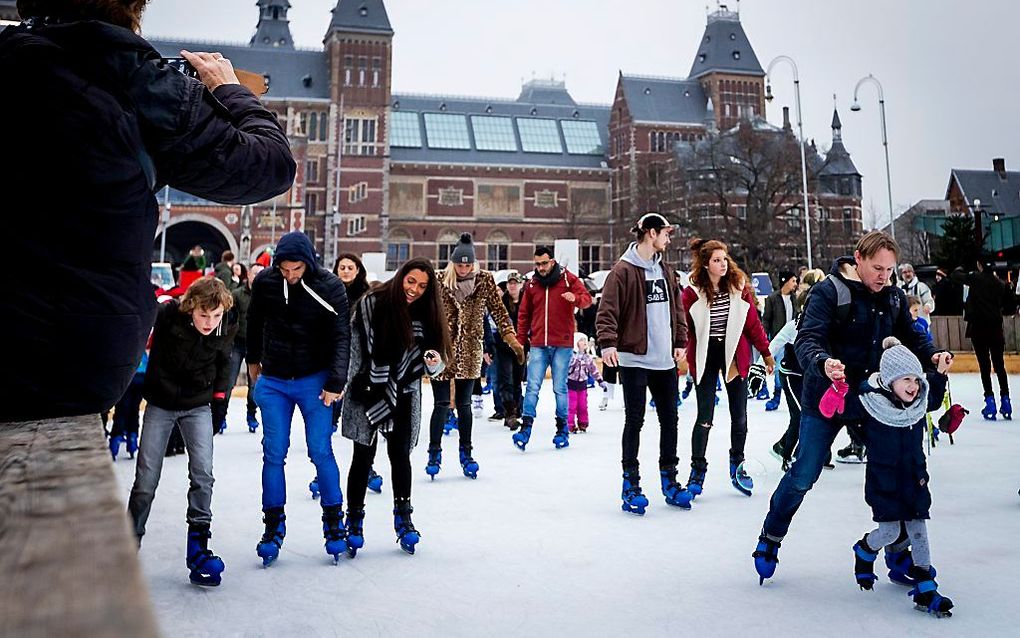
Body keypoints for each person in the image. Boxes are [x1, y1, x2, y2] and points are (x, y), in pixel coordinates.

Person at [0, 0, 296, 422]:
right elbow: (271, 166)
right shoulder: (137, 82)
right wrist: (229, 91)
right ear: (133, 10)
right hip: (69, 360)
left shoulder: (11, 57)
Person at [754, 231, 946, 584]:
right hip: (826, 398)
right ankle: (770, 537)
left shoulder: (892, 297)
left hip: (872, 401)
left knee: (898, 469)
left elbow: (912, 336)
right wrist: (824, 362)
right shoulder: (828, 292)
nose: (883, 276)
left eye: (889, 270)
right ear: (858, 258)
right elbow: (809, 338)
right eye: (877, 268)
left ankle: (899, 554)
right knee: (805, 473)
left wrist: (931, 354)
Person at [247, 232, 351, 566]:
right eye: (285, 270)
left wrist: (336, 380)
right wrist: (252, 361)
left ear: (308, 262)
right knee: (273, 453)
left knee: (320, 450)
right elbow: (254, 321)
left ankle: (334, 523)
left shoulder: (330, 286)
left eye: (296, 269)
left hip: (314, 380)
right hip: (275, 380)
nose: (291, 276)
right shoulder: (266, 282)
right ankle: (273, 526)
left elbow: (341, 335)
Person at [127, 278, 235, 586]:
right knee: (146, 479)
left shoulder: (224, 324)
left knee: (203, 474)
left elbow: (224, 365)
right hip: (160, 404)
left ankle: (198, 546)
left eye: (215, 316)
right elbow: (145, 303)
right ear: (191, 308)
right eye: (204, 315)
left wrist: (218, 404)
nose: (209, 323)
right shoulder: (169, 315)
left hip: (198, 405)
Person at [341, 258, 453, 556]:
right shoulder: (372, 304)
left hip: (404, 391)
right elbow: (355, 350)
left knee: (399, 455)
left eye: (422, 286)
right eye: (411, 281)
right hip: (368, 389)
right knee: (362, 455)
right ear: (401, 276)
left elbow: (436, 358)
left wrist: (433, 362)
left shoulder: (427, 313)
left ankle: (403, 518)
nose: (414, 289)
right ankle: (353, 519)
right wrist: (350, 384)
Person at [850, 338, 954, 617]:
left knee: (919, 530)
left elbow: (932, 399)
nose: (913, 386)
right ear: (888, 380)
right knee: (891, 532)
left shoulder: (917, 405)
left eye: (916, 380)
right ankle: (864, 550)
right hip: (883, 482)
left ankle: (926, 587)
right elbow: (847, 414)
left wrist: (940, 373)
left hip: (914, 478)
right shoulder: (871, 406)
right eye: (906, 379)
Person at [597, 212, 690, 513]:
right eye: (665, 233)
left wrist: (680, 341)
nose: (668, 238)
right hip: (634, 358)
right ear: (651, 233)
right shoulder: (622, 271)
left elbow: (678, 310)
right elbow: (607, 310)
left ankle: (670, 480)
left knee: (670, 421)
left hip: (664, 360)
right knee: (634, 421)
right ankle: (631, 483)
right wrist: (608, 343)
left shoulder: (667, 270)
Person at [427, 234, 524, 479]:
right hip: (442, 351)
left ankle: (466, 452)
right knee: (440, 405)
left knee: (465, 405)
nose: (463, 269)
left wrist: (511, 338)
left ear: (474, 263)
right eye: (459, 265)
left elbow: (500, 313)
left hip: (470, 351)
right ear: (452, 263)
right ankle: (434, 452)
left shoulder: (484, 281)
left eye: (467, 265)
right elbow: (423, 312)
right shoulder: (439, 281)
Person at [682, 238, 774, 499]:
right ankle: (697, 472)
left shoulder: (738, 287)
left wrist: (766, 353)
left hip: (733, 354)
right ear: (705, 264)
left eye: (724, 259)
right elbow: (682, 327)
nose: (722, 264)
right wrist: (677, 348)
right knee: (704, 417)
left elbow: (752, 324)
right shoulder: (691, 292)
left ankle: (738, 466)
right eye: (716, 260)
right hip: (706, 354)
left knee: (740, 415)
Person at [310, 252, 378, 500]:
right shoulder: (329, 293)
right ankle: (322, 472)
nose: (346, 271)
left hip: (360, 366)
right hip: (334, 365)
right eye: (342, 267)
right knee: (328, 420)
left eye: (350, 267)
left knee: (362, 420)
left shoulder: (368, 297)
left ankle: (367, 467)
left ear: (359, 270)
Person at [513, 246, 593, 451]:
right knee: (532, 387)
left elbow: (587, 300)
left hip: (562, 343)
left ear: (552, 262)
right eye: (537, 264)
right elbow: (523, 314)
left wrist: (574, 299)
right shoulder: (531, 285)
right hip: (539, 342)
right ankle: (526, 427)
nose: (540, 268)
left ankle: (562, 429)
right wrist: (521, 340)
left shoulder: (568, 280)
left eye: (544, 263)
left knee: (560, 388)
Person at [767, 268, 826, 471]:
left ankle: (821, 454)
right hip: (790, 375)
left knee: (819, 413)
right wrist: (761, 364)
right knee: (800, 415)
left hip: (808, 376)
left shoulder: (821, 325)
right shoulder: (794, 326)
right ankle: (785, 453)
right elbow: (774, 344)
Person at [953, 258, 1011, 420]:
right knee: (1000, 366)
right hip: (995, 328)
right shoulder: (1000, 284)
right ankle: (1006, 400)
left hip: (978, 328)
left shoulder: (975, 279)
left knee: (985, 367)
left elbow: (956, 275)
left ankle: (990, 400)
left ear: (979, 264)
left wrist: (962, 266)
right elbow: (1009, 304)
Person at [223, 262, 262, 434]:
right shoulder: (237, 294)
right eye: (255, 273)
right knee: (229, 381)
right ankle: (221, 414)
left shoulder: (268, 296)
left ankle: (251, 414)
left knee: (254, 384)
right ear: (248, 275)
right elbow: (228, 317)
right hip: (237, 343)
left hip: (258, 346)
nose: (258, 277)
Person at [762, 271, 800, 411]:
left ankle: (779, 395)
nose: (795, 284)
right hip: (777, 338)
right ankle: (776, 396)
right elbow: (766, 319)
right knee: (777, 368)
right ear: (785, 281)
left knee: (781, 368)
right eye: (793, 281)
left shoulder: (794, 298)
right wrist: (764, 337)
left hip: (791, 340)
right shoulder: (772, 298)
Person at [496, 271, 526, 429]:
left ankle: (517, 408)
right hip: (504, 346)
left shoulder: (527, 301)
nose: (513, 286)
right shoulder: (501, 302)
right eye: (510, 283)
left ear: (521, 285)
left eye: (516, 283)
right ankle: (509, 412)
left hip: (521, 347)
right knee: (506, 379)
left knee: (517, 379)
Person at [109, 347, 148, 461]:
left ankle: (115, 440)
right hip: (141, 376)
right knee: (134, 409)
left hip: (125, 376)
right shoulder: (142, 336)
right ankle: (132, 439)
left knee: (121, 409)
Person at [567, 334, 607, 433]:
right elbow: (568, 369)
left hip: (582, 385)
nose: (584, 342)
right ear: (576, 343)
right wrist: (576, 358)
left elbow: (593, 370)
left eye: (585, 340)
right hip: (571, 385)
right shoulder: (570, 356)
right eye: (581, 340)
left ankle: (583, 423)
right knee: (571, 406)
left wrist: (600, 381)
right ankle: (569, 425)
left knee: (583, 406)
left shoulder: (587, 357)